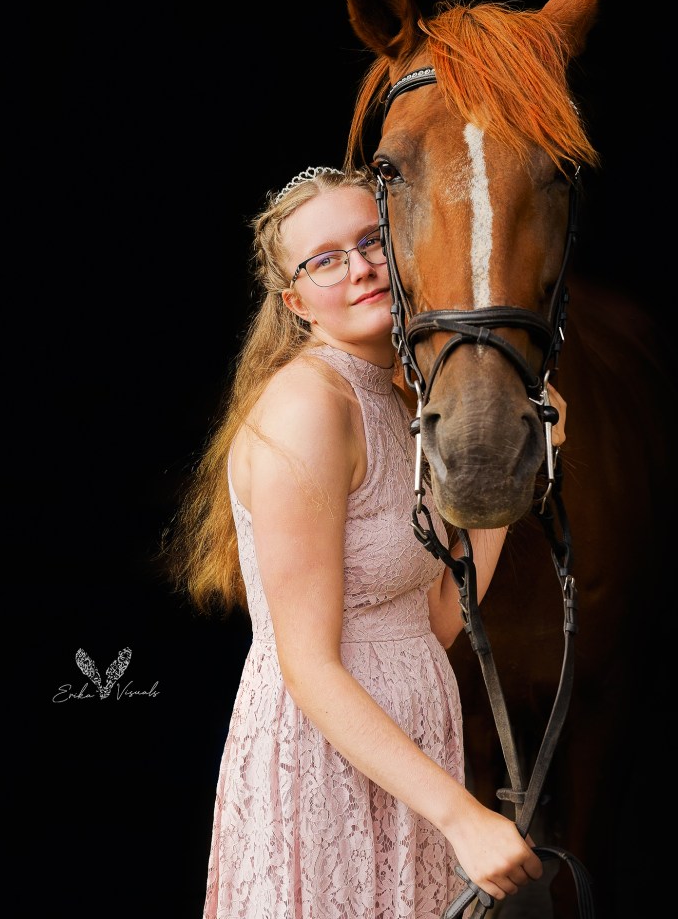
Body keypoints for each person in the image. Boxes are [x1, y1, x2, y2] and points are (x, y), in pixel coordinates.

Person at [166, 165, 567, 919]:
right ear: (294, 301)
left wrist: (519, 466)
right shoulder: (308, 406)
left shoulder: (397, 396)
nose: (359, 268)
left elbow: (436, 619)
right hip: (325, 756)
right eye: (325, 259)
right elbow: (308, 666)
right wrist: (461, 816)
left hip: (411, 753)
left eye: (373, 240)